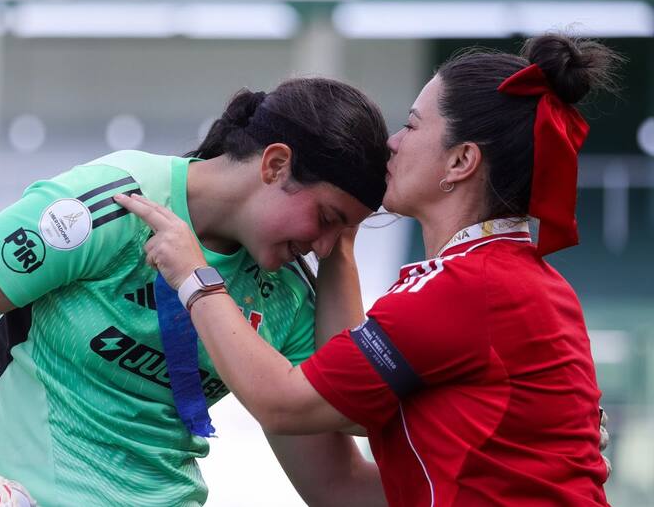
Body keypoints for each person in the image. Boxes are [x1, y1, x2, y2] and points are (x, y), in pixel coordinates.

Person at [118, 33, 619, 506]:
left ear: (461, 160)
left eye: (413, 124)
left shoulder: (464, 289)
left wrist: (193, 274)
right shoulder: (519, 280)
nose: (394, 143)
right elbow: (346, 473)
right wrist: (338, 240)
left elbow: (285, 404)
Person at [0, 78, 392, 506]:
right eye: (327, 219)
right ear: (275, 164)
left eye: (345, 234)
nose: (322, 247)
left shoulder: (291, 291)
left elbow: (338, 480)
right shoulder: (110, 204)